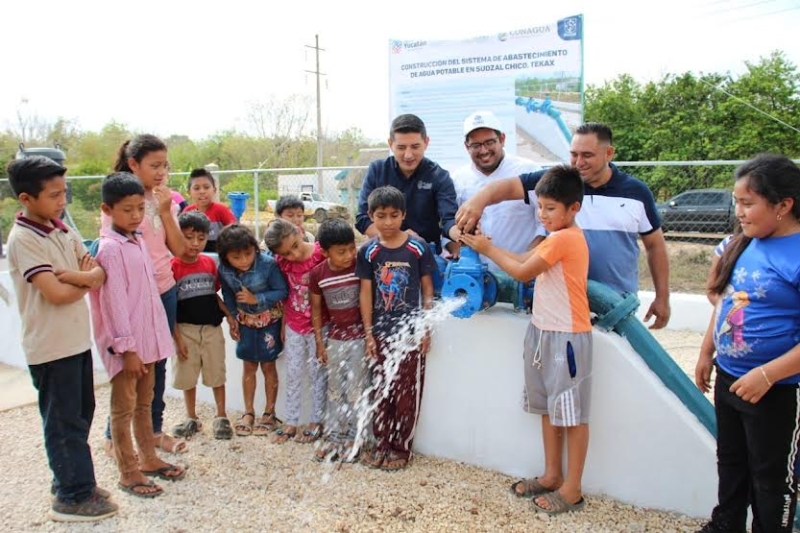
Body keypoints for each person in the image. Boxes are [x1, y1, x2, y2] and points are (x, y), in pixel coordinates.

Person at [461, 165, 592, 515]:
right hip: (542, 331)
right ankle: (552, 475)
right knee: (548, 408)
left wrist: (488, 250)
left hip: (566, 336)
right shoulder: (553, 238)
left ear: (573, 208)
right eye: (540, 206)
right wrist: (484, 244)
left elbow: (521, 271)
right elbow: (523, 258)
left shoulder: (566, 238)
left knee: (573, 415)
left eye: (551, 209)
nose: (542, 214)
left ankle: (573, 489)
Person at [456, 122, 670, 328]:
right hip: (563, 308)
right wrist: (479, 200)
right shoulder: (560, 184)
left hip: (616, 303)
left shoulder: (637, 193)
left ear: (609, 153)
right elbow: (508, 186)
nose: (578, 162)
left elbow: (655, 246)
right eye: (573, 154)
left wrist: (662, 297)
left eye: (587, 155)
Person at [6, 156, 117, 522]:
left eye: (63, 192)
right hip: (50, 347)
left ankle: (72, 481)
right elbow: (54, 293)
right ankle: (72, 496)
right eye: (53, 195)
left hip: (75, 341)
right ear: (26, 198)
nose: (62, 201)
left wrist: (78, 277)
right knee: (63, 420)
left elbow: (95, 271)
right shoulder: (24, 239)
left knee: (81, 414)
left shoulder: (61, 229)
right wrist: (83, 279)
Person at [694, 154, 800, 533]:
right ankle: (726, 525)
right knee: (731, 462)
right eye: (736, 201)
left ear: (783, 205)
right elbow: (723, 302)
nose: (738, 211)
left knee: (771, 479)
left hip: (779, 390)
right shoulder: (742, 244)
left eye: (748, 203)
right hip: (730, 378)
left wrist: (768, 376)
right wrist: (707, 352)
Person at [90, 172, 187, 499]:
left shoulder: (138, 240)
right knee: (123, 409)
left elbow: (149, 293)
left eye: (139, 209)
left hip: (149, 340)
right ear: (107, 209)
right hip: (127, 347)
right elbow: (114, 304)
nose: (135, 216)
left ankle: (147, 458)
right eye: (127, 210)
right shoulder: (110, 249)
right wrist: (126, 348)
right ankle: (127, 471)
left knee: (145, 403)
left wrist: (162, 335)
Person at [101, 134, 188, 456]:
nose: (161, 172)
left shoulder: (165, 200)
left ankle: (153, 431)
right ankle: (116, 435)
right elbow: (113, 253)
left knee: (158, 365)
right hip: (135, 296)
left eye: (165, 165)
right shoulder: (120, 200)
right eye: (154, 165)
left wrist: (166, 211)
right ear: (133, 164)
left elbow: (180, 251)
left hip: (163, 290)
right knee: (130, 367)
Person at [356, 186, 435, 471]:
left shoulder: (417, 248)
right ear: (370, 216)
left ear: (403, 215)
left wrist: (426, 328)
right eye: (381, 216)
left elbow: (428, 290)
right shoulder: (368, 251)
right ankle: (381, 444)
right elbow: (365, 293)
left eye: (393, 215)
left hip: (409, 335)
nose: (387, 222)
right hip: (379, 334)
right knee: (380, 391)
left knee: (405, 393)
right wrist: (368, 333)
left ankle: (401, 448)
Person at [170, 211, 238, 441]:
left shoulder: (209, 263)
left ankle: (221, 416)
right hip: (185, 330)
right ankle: (191, 417)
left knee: (216, 372)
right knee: (188, 375)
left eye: (201, 238)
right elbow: (169, 307)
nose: (195, 243)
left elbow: (214, 295)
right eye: (189, 237)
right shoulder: (172, 267)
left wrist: (229, 316)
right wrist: (177, 338)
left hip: (211, 329)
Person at [448, 110, 545, 269]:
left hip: (521, 276)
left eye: (489, 142)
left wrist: (526, 262)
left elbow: (545, 225)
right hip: (475, 277)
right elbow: (448, 224)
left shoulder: (529, 171)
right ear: (466, 146)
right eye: (476, 145)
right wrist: (457, 249)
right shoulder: (457, 180)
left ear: (502, 139)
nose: (484, 150)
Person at [217, 224, 288, 437]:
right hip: (245, 322)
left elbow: (282, 291)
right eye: (236, 257)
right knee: (249, 366)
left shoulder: (268, 265)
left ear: (255, 249)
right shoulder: (224, 269)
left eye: (248, 254)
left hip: (269, 321)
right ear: (226, 257)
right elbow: (228, 293)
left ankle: (269, 413)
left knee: (268, 365)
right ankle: (248, 412)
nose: (244, 260)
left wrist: (257, 299)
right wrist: (232, 318)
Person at [355, 113, 460, 254]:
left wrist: (460, 234)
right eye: (401, 147)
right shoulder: (377, 171)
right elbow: (363, 219)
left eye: (415, 146)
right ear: (390, 144)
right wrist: (401, 237)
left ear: (426, 142)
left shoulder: (439, 176)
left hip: (426, 255)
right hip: (383, 253)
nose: (408, 155)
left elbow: (448, 220)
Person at [264, 219, 328, 444]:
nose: (294, 253)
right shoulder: (282, 263)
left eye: (295, 245)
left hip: (320, 326)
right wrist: (283, 324)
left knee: (317, 373)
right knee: (293, 373)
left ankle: (316, 421)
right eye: (287, 252)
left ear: (300, 232)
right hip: (294, 325)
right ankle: (291, 421)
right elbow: (286, 294)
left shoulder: (321, 254)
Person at [309, 218, 367, 462]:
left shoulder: (360, 268)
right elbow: (316, 311)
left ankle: (355, 437)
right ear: (325, 252)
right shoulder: (317, 274)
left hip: (360, 339)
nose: (349, 255)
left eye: (352, 248)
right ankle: (334, 436)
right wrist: (320, 344)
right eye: (341, 251)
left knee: (356, 389)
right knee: (335, 389)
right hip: (334, 340)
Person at [184, 168, 235, 252]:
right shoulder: (187, 212)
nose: (202, 191)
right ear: (189, 192)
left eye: (206, 187)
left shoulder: (221, 210)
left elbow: (235, 233)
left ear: (214, 190)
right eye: (197, 188)